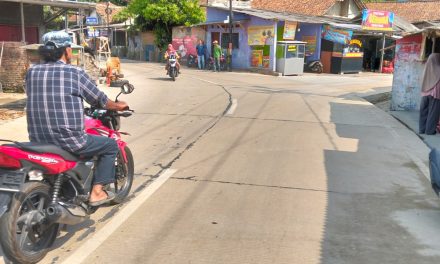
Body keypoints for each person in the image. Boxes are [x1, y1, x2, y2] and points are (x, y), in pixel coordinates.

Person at [26, 31, 128, 206]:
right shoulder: (74, 73)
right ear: (66, 51)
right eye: (70, 50)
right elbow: (99, 100)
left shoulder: (31, 72)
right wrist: (119, 105)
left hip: (37, 140)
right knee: (110, 145)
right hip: (70, 141)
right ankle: (97, 192)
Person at [419, 53, 440, 135]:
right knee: (433, 113)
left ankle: (422, 129)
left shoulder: (426, 69)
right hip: (435, 94)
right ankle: (430, 131)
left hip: (425, 93)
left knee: (423, 112)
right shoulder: (439, 69)